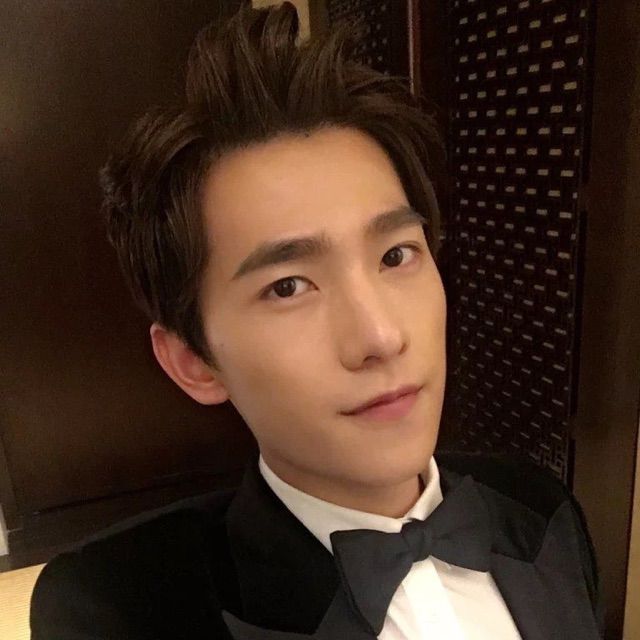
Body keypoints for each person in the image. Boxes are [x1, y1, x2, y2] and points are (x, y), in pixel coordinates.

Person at [30, 2, 603, 639]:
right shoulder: (118, 611)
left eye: (395, 255)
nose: (381, 337)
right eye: (288, 286)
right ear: (193, 361)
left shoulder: (540, 506)